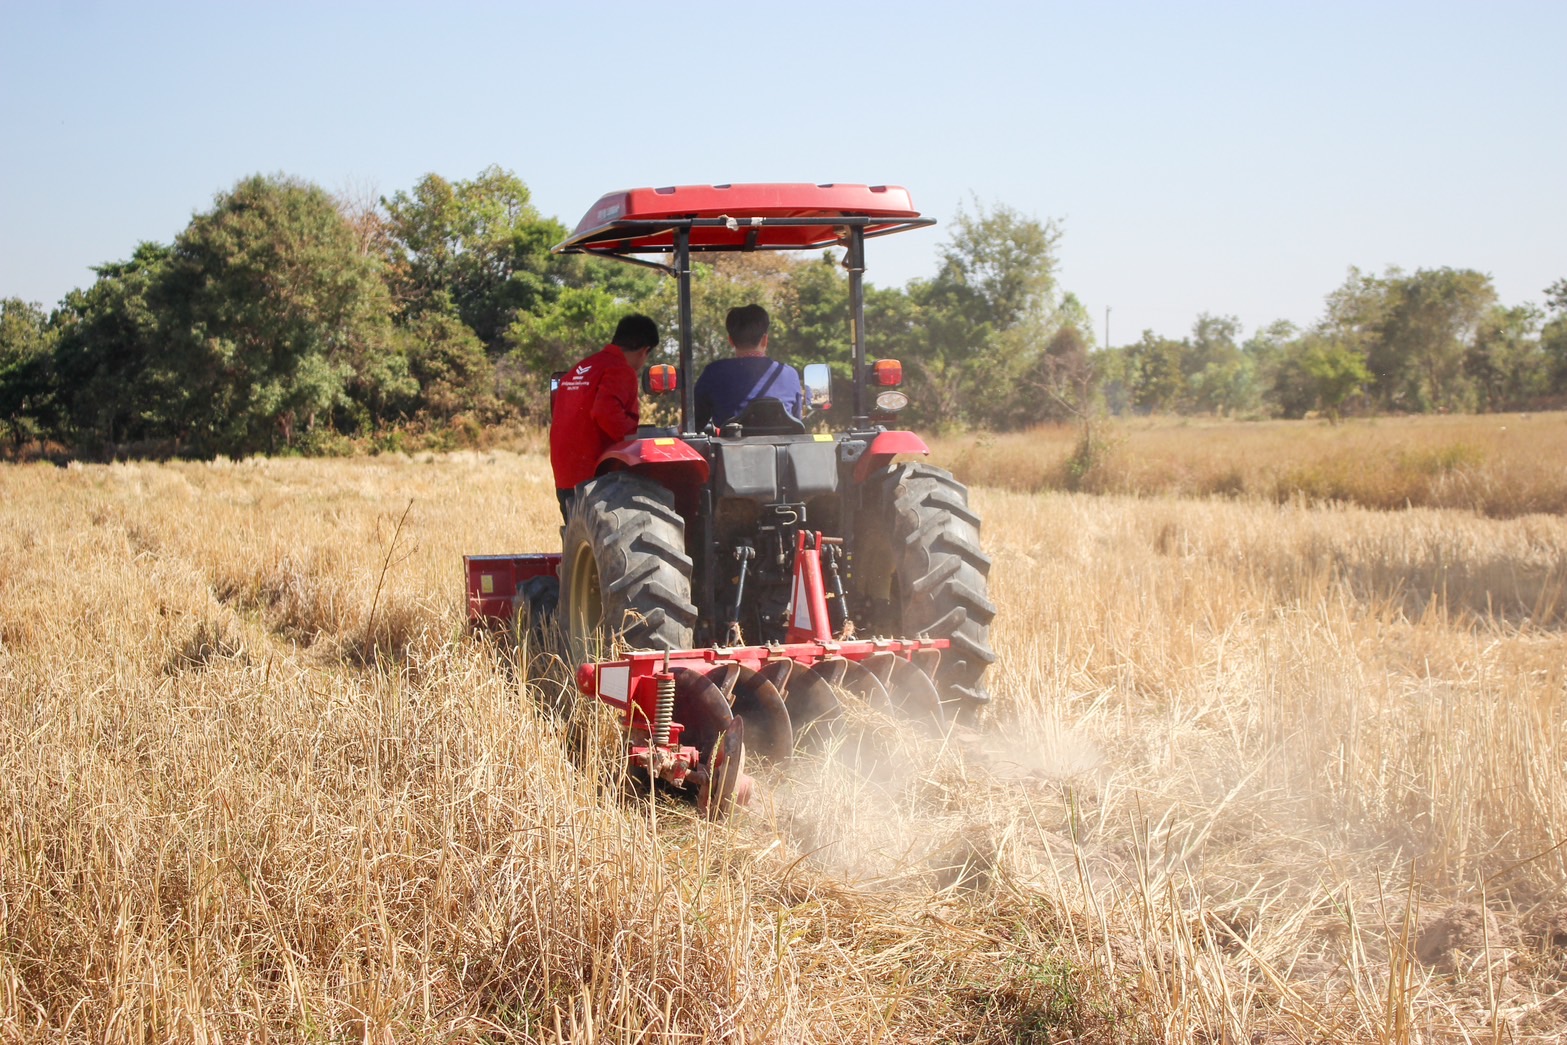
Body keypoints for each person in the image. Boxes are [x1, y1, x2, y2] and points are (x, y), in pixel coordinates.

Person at [549, 314, 659, 522]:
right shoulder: (620, 370)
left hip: (565, 476)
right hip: (595, 479)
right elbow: (605, 412)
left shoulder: (581, 368)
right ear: (645, 351)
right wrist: (633, 439)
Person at [693, 304, 803, 431]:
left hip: (731, 449)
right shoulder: (789, 374)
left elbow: (695, 423)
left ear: (731, 341)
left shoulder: (713, 373)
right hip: (782, 450)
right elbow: (796, 423)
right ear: (765, 339)